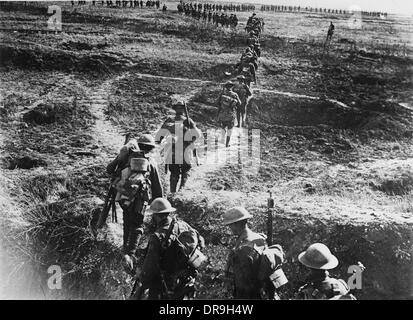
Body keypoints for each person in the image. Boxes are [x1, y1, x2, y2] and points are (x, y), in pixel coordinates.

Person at [106, 134, 163, 272]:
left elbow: (109, 169)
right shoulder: (150, 162)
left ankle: (125, 248)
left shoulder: (127, 158)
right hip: (139, 199)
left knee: (127, 222)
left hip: (123, 196)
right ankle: (130, 255)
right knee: (137, 225)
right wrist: (160, 205)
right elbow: (157, 188)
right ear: (149, 148)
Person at [134, 198, 205, 299]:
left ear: (156, 216)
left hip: (165, 284)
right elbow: (201, 240)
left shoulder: (157, 236)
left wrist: (141, 276)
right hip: (186, 278)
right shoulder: (183, 224)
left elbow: (150, 265)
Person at [223, 207, 284, 299]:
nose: (230, 228)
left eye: (230, 225)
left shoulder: (243, 250)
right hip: (264, 291)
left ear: (236, 224)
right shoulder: (259, 238)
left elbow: (244, 285)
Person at [157, 98, 202, 193]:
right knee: (185, 171)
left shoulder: (170, 120)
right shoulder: (188, 121)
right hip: (184, 150)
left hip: (173, 151)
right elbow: (197, 135)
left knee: (174, 172)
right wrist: (190, 139)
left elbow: (159, 136)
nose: (179, 110)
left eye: (179, 108)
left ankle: (173, 192)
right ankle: (181, 191)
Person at [216, 82, 241, 147]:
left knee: (223, 127)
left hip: (222, 113)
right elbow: (239, 103)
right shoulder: (235, 94)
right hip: (231, 114)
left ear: (225, 87)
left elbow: (217, 102)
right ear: (232, 87)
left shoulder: (222, 94)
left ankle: (223, 139)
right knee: (230, 129)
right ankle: (227, 143)